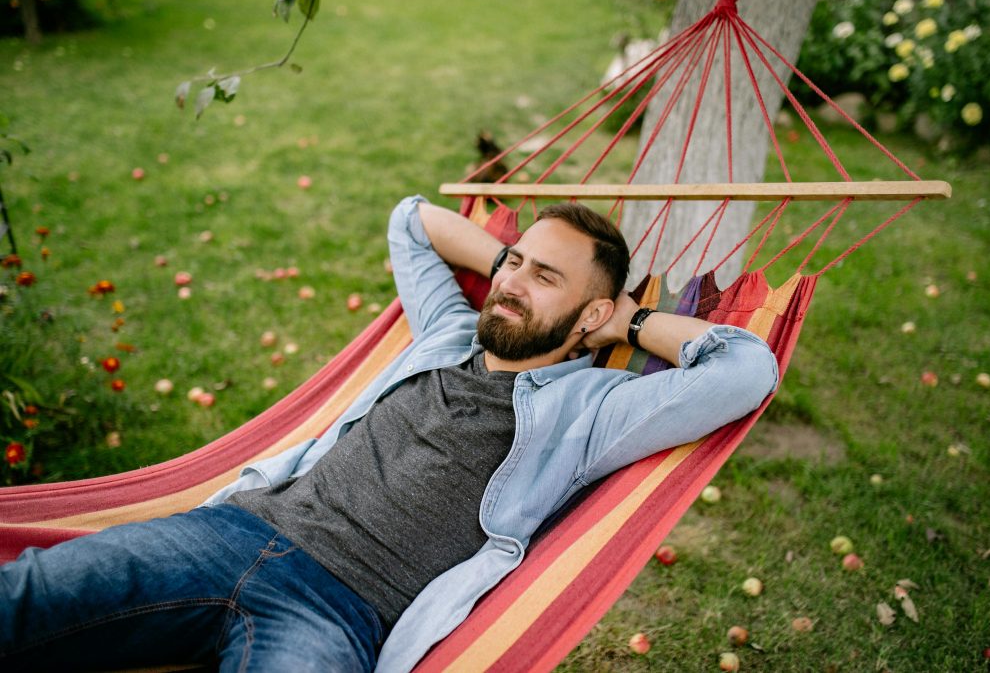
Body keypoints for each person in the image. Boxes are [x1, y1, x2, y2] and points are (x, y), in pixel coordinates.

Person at [0, 196, 778, 672]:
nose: (509, 282)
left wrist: (630, 321)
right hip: (234, 532)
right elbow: (412, 219)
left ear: (592, 315)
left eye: (547, 277)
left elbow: (744, 369)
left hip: (341, 611)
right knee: (26, 595)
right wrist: (519, 265)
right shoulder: (444, 331)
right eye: (514, 262)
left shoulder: (594, 409)